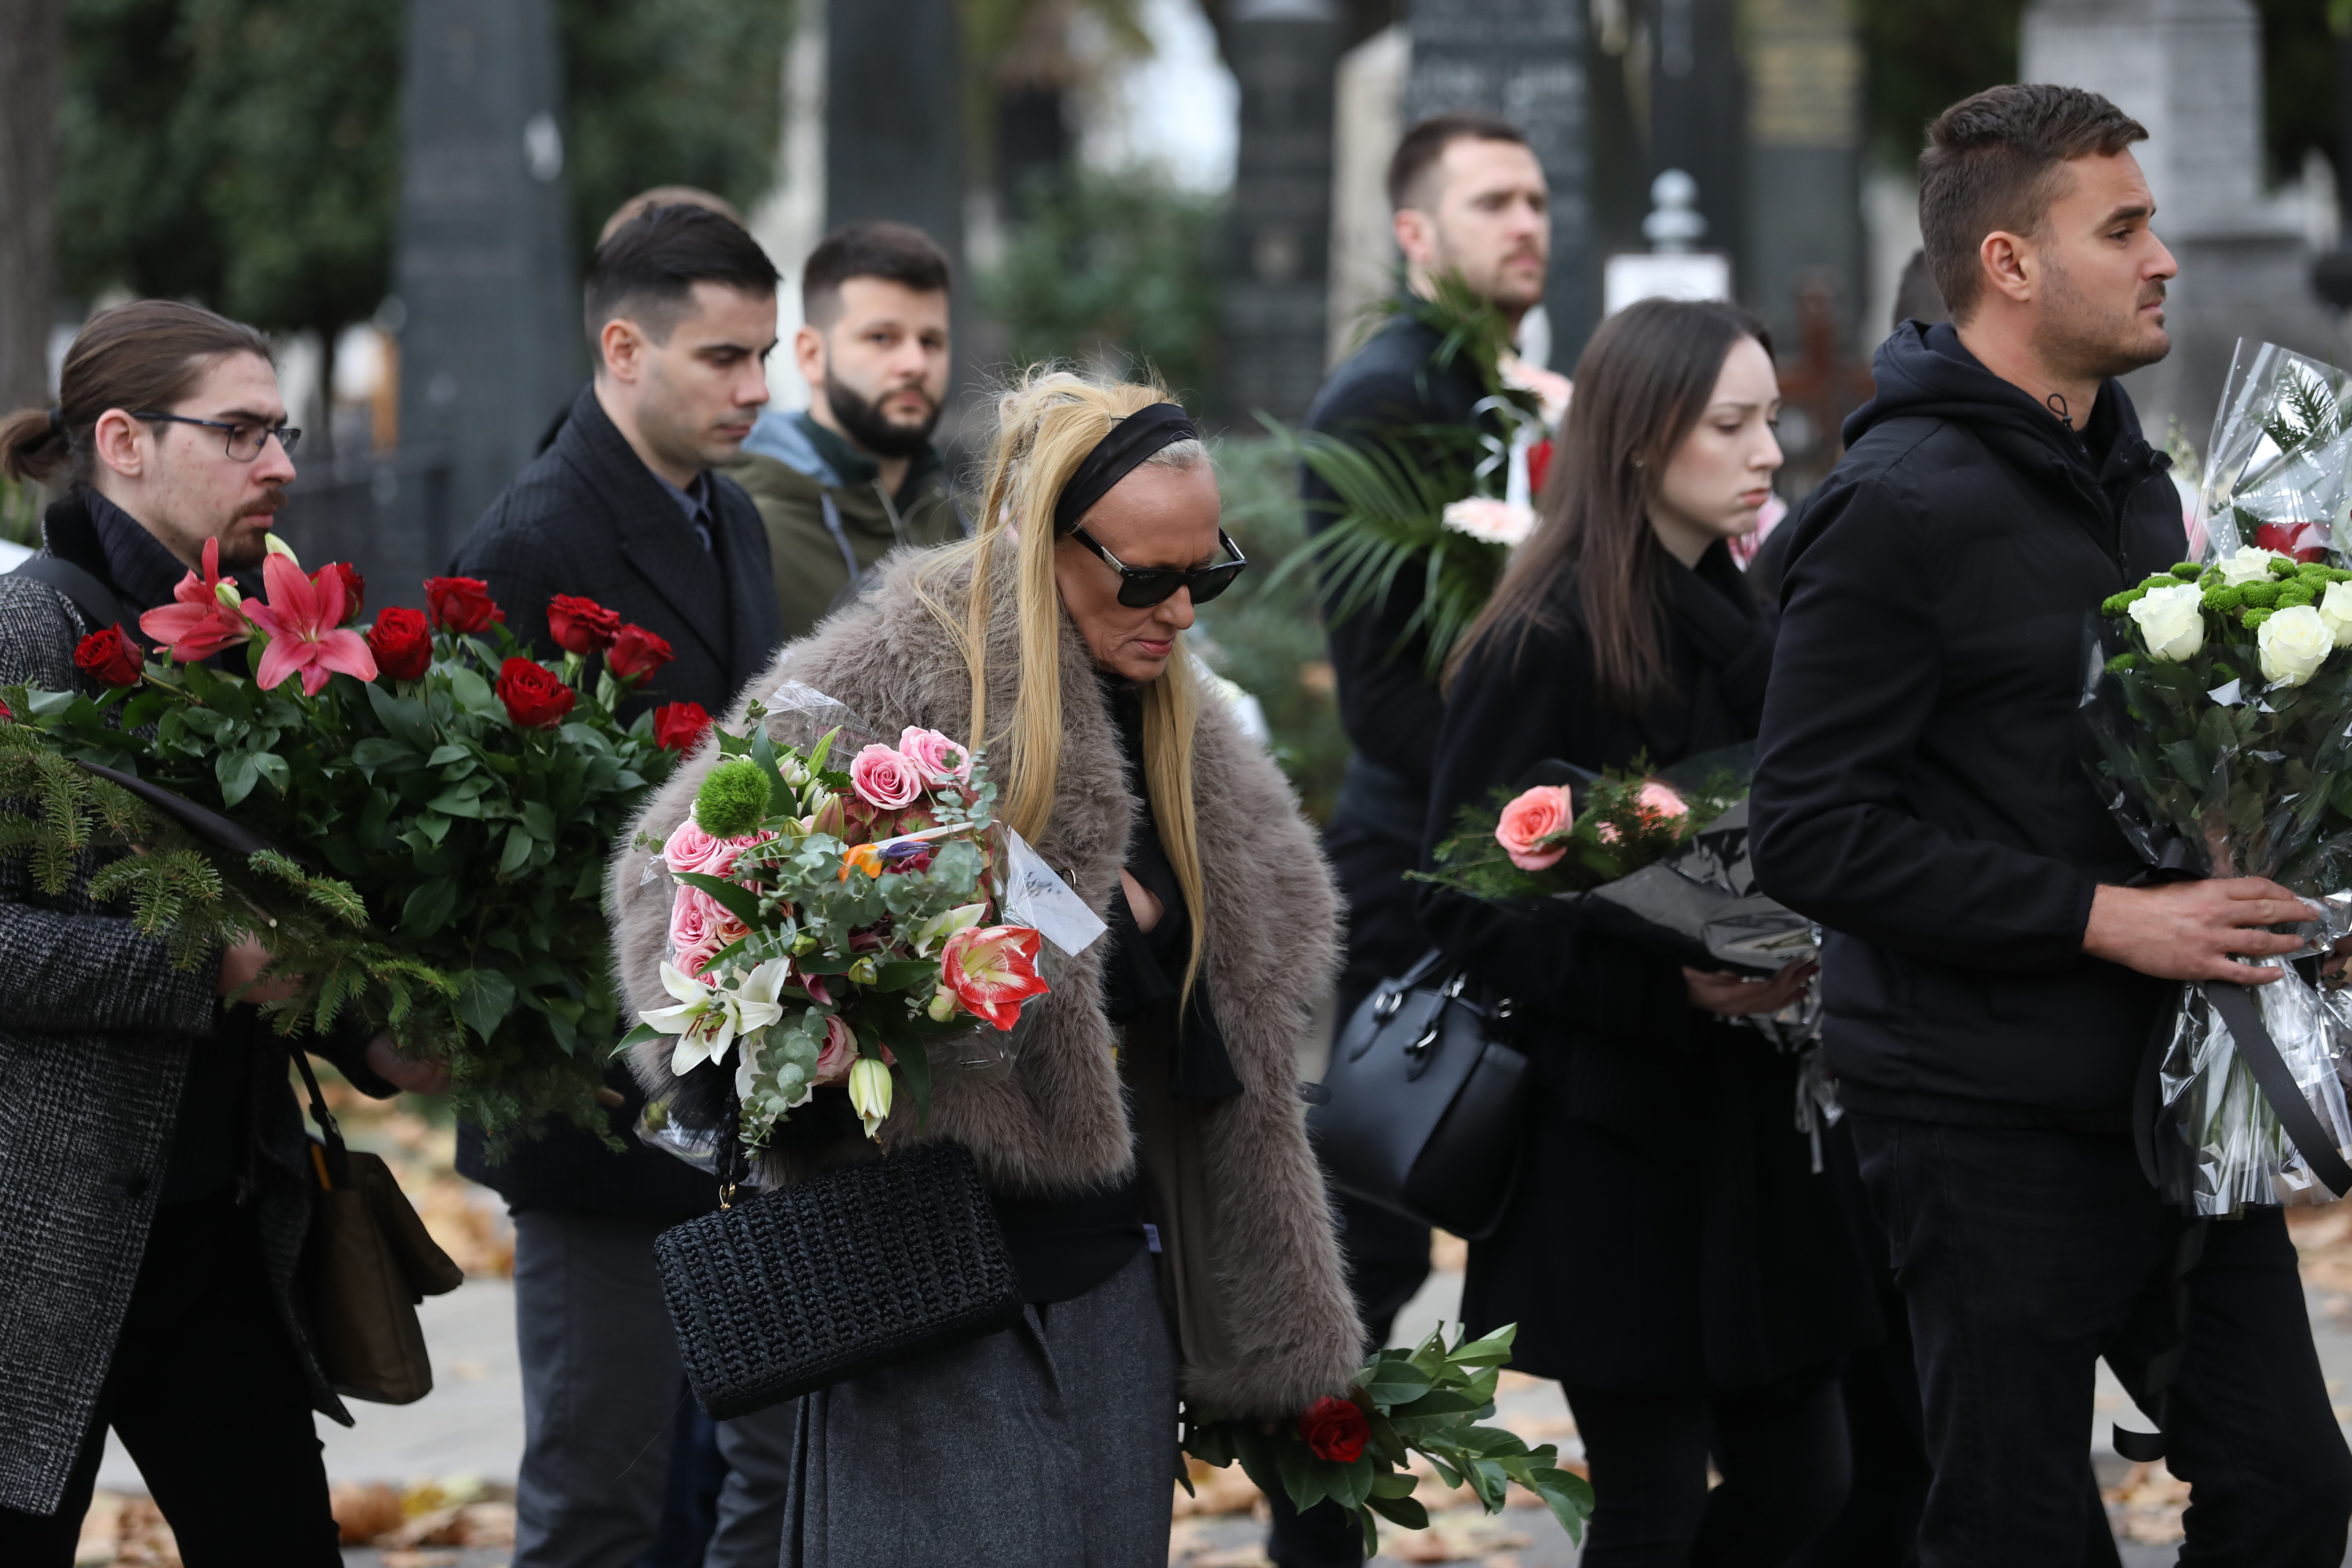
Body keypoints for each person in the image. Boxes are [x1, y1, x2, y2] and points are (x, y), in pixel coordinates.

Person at [612, 370, 1362, 1567]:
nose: (1178, 612)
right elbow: (670, 885)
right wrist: (813, 1017)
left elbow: (1270, 954)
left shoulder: (1182, 721)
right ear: (1032, 541)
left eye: (1205, 574)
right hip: (919, 1265)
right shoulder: (886, 667)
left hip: (1110, 1273)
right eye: (1145, 577)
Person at [1751, 83, 2352, 1564]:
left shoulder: (2136, 480)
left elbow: (2154, 770)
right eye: (2123, 227)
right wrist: (2107, 919)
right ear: (2010, 261)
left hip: (2173, 1091)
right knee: (2016, 1525)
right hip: (1975, 1116)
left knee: (2289, 1483)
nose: (2165, 259)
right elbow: (1809, 831)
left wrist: (2279, 889)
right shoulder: (1888, 508)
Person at [1417, 295, 1876, 1567]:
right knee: (1656, 1504)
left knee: (1807, 1482)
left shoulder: (1753, 616)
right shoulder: (1545, 637)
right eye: (1729, 425)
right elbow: (1465, 898)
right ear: (1636, 441)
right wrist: (1665, 990)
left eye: (1768, 419)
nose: (1767, 452)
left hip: (1756, 1141)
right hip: (1615, 1146)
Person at [0, 301, 445, 1562]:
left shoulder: (253, 638)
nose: (285, 465)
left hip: (218, 1227)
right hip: (42, 1243)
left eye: (283, 429)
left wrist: (374, 1039)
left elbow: (284, 907)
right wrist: (201, 969)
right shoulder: (26, 636)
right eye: (243, 431)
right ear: (125, 441)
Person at [446, 203, 789, 1568]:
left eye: (766, 356)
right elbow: (491, 860)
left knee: (771, 1466)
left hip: (744, 1081)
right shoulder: (533, 543)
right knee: (602, 1493)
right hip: (599, 1103)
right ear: (624, 346)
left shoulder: (736, 523)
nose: (756, 389)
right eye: (724, 358)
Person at [1281, 109, 1554, 1567]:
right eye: (1493, 201)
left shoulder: (1515, 385)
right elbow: (1389, 704)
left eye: (1537, 199)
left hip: (1539, 869)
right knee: (1373, 1247)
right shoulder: (1382, 400)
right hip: (1423, 879)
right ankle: (1313, 1538)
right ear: (1413, 234)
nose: (1527, 222)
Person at [728, 221, 968, 640]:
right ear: (811, 356)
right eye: (882, 338)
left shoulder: (976, 529)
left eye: (931, 342)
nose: (915, 363)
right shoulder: (739, 527)